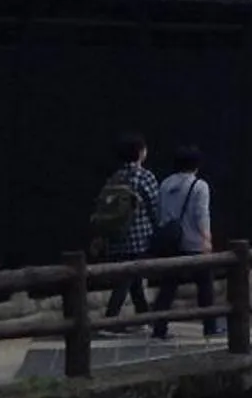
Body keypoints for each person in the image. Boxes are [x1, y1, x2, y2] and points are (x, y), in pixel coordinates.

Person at [150, 148, 221, 340]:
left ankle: (159, 328)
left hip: (172, 243)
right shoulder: (200, 185)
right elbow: (201, 214)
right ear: (197, 165)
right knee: (205, 285)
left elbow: (160, 213)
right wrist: (207, 238)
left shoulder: (165, 183)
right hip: (194, 243)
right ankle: (209, 326)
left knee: (167, 287)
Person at [89, 133, 160, 322]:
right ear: (140, 152)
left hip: (115, 236)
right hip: (138, 238)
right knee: (126, 279)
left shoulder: (115, 177)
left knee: (133, 278)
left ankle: (144, 317)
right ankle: (109, 320)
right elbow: (155, 206)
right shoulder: (144, 177)